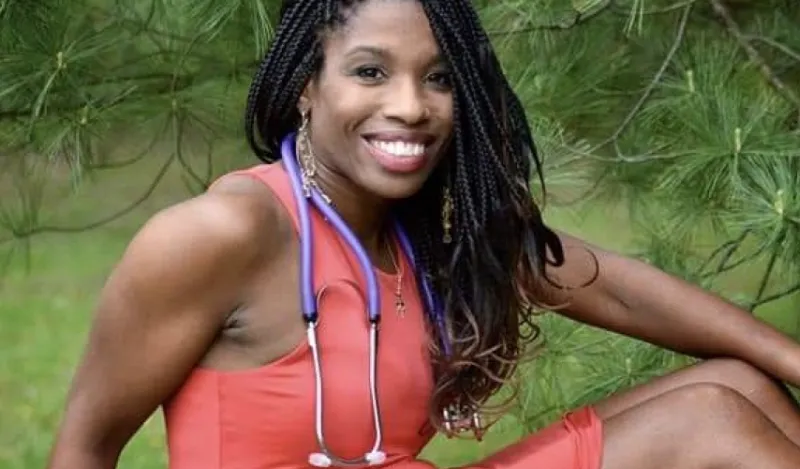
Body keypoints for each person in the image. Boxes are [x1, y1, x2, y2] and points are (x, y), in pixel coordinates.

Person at [46, 1, 800, 468]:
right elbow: (84, 446)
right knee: (711, 421)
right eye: (371, 72)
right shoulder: (227, 231)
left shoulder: (422, 234)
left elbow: (618, 288)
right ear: (307, 84)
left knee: (738, 385)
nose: (411, 106)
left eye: (439, 78)